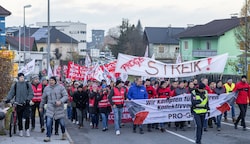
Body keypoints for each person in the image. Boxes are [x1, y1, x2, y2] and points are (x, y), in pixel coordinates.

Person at [39, 76, 68, 142]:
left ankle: (63, 133)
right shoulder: (46, 88)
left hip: (59, 108)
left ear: (55, 81)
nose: (51, 81)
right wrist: (41, 106)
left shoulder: (61, 87)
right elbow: (43, 99)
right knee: (48, 123)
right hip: (50, 108)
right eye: (50, 80)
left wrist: (60, 101)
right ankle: (48, 136)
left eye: (52, 80)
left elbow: (66, 96)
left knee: (62, 123)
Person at [6, 72, 34, 137]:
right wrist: (8, 99)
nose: (22, 78)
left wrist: (28, 99)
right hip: (18, 103)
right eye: (20, 77)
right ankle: (20, 130)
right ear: (18, 78)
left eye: (23, 77)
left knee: (27, 117)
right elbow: (11, 93)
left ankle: (27, 129)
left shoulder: (27, 84)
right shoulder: (15, 85)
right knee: (19, 117)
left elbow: (31, 93)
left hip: (26, 103)